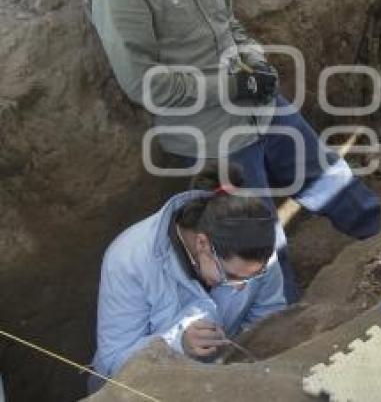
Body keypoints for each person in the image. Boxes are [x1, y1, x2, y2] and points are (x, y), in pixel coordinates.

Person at [84, 0, 381, 302]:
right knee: (258, 236)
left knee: (328, 175)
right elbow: (144, 84)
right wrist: (228, 85)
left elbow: (229, 23)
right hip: (214, 140)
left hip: (260, 105)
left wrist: (252, 58)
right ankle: (285, 322)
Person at [90, 164, 285, 389]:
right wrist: (177, 344)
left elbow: (269, 324)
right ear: (203, 243)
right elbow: (113, 363)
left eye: (255, 276)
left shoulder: (259, 248)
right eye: (231, 276)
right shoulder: (129, 260)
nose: (241, 288)